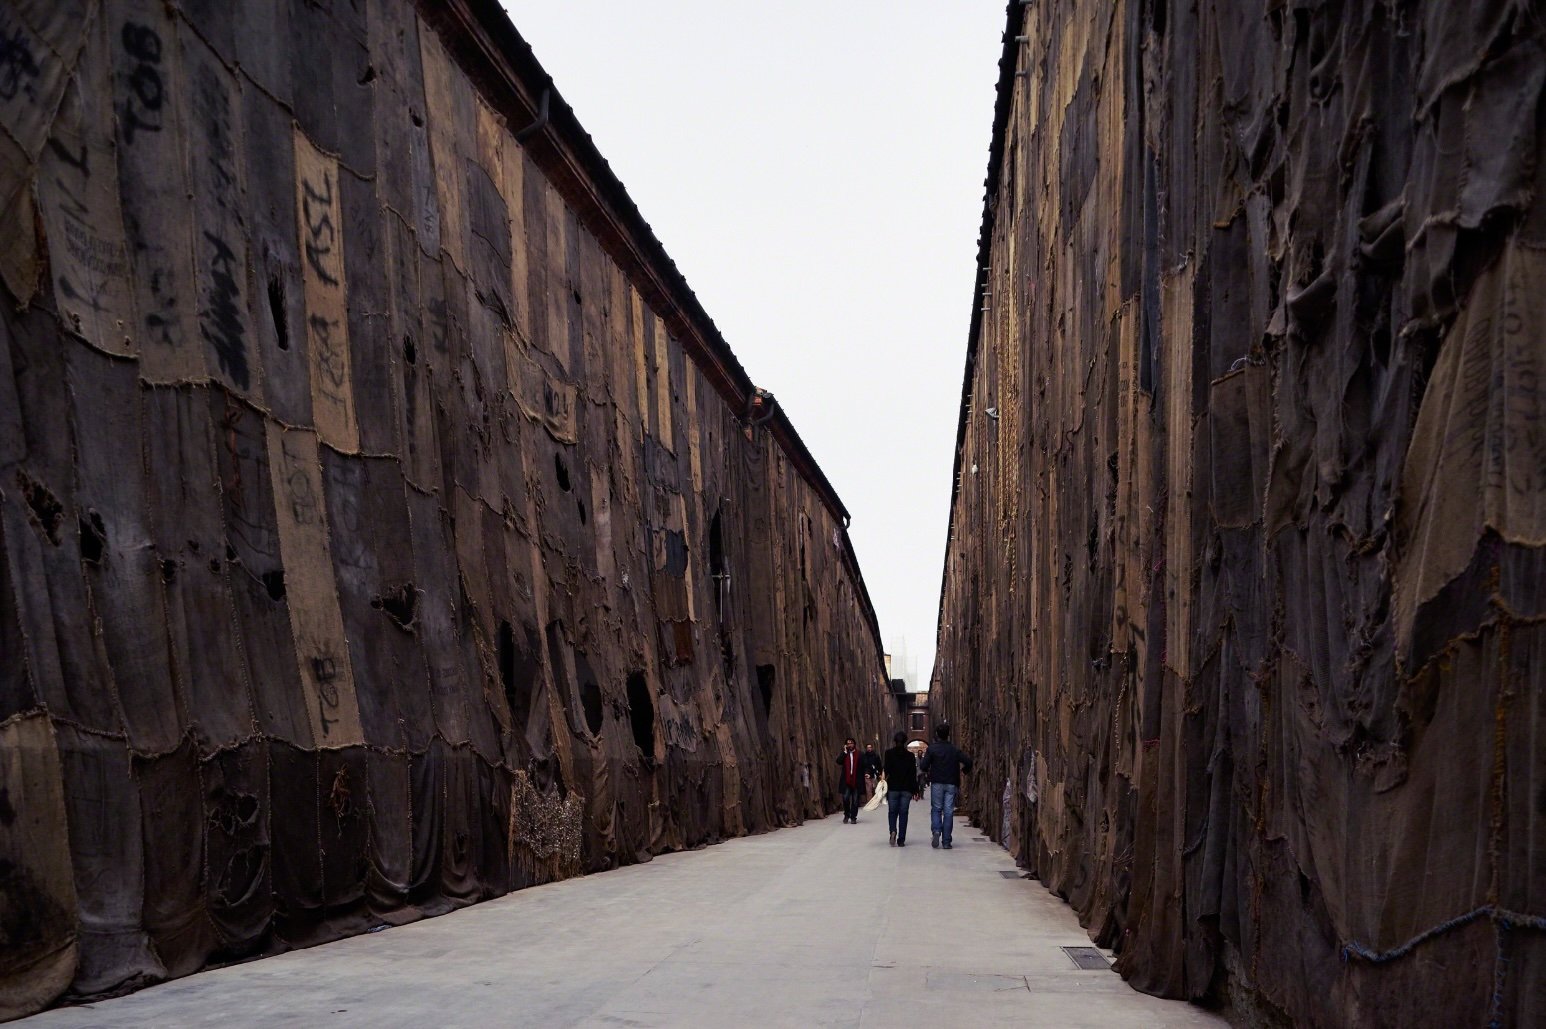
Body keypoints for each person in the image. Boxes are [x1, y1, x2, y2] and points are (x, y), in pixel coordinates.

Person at [919, 722, 973, 849]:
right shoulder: (954, 750)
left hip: (937, 782)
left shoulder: (932, 749)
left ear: (937, 735)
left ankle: (936, 831)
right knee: (948, 811)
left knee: (937, 809)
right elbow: (969, 762)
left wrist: (928, 770)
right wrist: (963, 771)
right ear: (948, 735)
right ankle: (947, 841)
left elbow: (922, 766)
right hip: (951, 783)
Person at [882, 731, 921, 846]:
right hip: (906, 789)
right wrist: (915, 791)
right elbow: (912, 774)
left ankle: (893, 830)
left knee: (892, 812)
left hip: (893, 788)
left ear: (895, 741)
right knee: (904, 813)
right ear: (905, 742)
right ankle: (901, 839)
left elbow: (887, 770)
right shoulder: (910, 756)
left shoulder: (888, 753)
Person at [836, 737, 863, 823]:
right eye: (848, 744)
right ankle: (847, 814)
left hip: (856, 780)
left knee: (855, 800)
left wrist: (867, 772)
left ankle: (853, 817)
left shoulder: (860, 754)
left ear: (854, 744)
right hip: (846, 780)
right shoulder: (844, 754)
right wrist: (844, 752)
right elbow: (838, 761)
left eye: (851, 743)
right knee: (845, 798)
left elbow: (865, 764)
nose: (849, 745)